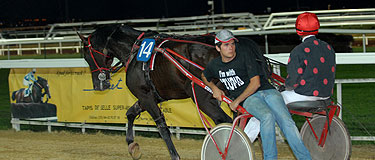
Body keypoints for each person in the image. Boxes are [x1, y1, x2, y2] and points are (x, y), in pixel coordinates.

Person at [202, 29, 311, 160]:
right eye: (226, 45)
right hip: (250, 98)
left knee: (287, 122)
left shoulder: (245, 55)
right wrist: (214, 88)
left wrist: (236, 101)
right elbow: (204, 75)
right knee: (267, 116)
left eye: (232, 44)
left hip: (267, 91)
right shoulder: (215, 65)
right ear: (218, 48)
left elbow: (256, 83)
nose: (230, 48)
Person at [281, 12, 336, 104]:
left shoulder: (299, 50)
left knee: (273, 100)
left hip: (305, 95)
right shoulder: (328, 47)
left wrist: (285, 86)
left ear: (298, 30)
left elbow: (293, 79)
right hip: (326, 94)